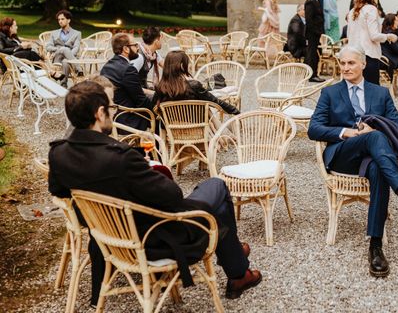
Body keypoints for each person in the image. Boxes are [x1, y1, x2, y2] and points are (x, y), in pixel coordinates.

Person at [48, 81, 261, 307]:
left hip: (107, 237)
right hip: (154, 236)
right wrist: (148, 168)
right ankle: (238, 273)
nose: (114, 112)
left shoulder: (59, 154)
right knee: (216, 186)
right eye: (112, 108)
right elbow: (173, 196)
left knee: (211, 196)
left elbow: (60, 193)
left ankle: (234, 253)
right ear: (99, 114)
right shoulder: (120, 158)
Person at [308, 46, 398, 278]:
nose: (346, 68)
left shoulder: (380, 93)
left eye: (351, 63)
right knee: (375, 138)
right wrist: (345, 132)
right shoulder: (330, 93)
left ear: (364, 64)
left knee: (378, 168)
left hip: (373, 157)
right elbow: (314, 128)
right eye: (342, 63)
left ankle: (376, 246)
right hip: (343, 155)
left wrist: (374, 127)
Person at [152, 50, 240, 115]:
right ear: (182, 66)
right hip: (196, 127)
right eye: (188, 63)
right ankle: (220, 138)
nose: (189, 65)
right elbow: (215, 102)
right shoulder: (194, 85)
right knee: (207, 110)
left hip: (171, 130)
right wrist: (235, 111)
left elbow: (154, 107)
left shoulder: (161, 87)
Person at [347, 0, 397, 84]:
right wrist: (389, 36)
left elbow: (349, 35)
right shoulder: (371, 9)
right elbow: (374, 36)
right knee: (371, 90)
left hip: (354, 55)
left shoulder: (352, 11)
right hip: (368, 56)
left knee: (357, 89)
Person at [100, 33, 154, 130]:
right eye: (135, 45)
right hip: (127, 119)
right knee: (161, 116)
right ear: (126, 49)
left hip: (112, 115)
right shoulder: (128, 69)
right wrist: (157, 109)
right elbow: (141, 101)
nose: (137, 48)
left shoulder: (107, 66)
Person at [46, 9, 81, 83]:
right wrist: (59, 49)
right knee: (64, 49)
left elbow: (76, 47)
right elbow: (48, 47)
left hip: (70, 59)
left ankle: (63, 85)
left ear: (68, 20)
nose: (60, 21)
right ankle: (79, 69)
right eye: (59, 19)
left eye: (62, 19)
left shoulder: (77, 33)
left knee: (65, 61)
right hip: (57, 58)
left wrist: (69, 54)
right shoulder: (54, 33)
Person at [380, 13, 398, 95]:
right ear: (392, 22)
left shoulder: (386, 31)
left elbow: (395, 42)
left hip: (386, 58)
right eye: (396, 20)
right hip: (390, 61)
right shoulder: (390, 34)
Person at [304, 0, 325, 82]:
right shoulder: (310, 1)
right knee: (312, 54)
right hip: (312, 33)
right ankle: (312, 76)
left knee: (314, 54)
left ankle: (311, 74)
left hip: (315, 33)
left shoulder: (316, 0)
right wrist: (317, 32)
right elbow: (309, 20)